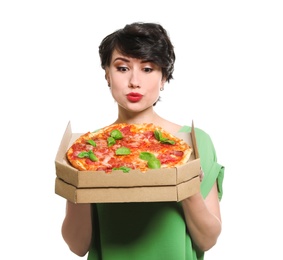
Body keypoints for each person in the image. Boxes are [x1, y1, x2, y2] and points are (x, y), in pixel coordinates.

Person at [61, 22, 225, 260]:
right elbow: (78, 246)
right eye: (122, 68)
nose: (134, 81)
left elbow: (207, 240)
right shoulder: (89, 151)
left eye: (147, 69)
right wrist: (76, 181)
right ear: (107, 74)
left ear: (164, 78)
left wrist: (187, 185)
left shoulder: (194, 142)